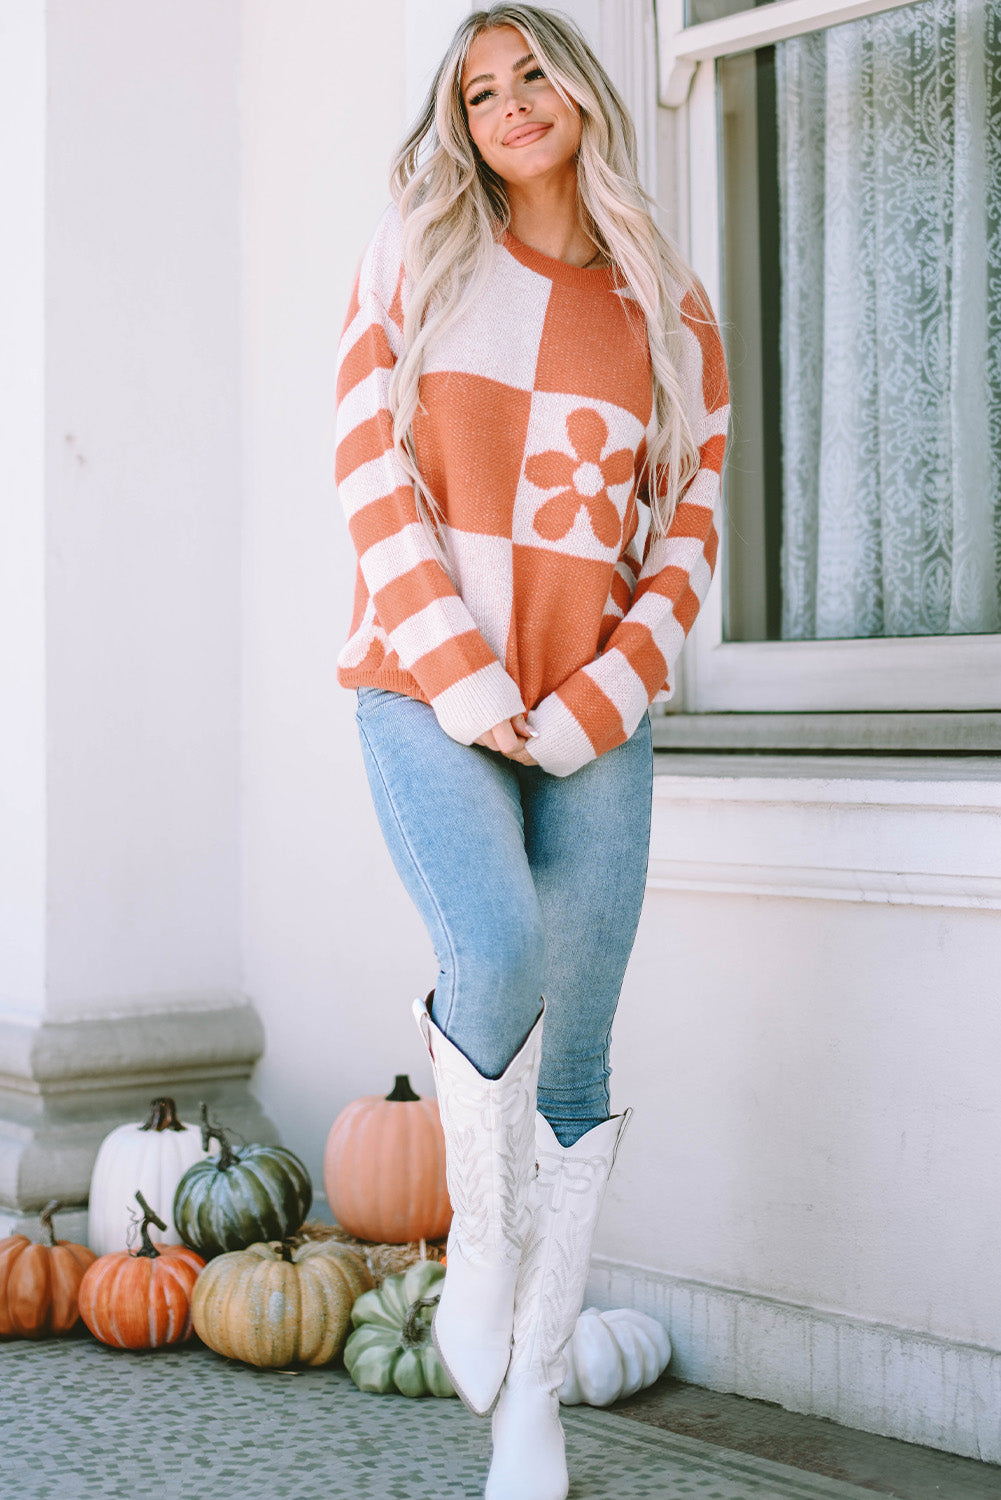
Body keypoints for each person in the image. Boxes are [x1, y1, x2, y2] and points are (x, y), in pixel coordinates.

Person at [334, 7, 728, 1497]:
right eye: (476, 90)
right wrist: (461, 673)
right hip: (418, 684)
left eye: (529, 73)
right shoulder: (418, 253)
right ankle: (480, 1248)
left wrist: (595, 695)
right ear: (461, 121)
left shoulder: (665, 304)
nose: (507, 105)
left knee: (584, 1052)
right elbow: (365, 467)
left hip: (592, 709)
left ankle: (530, 1405)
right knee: (491, 949)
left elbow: (686, 524)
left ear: (576, 87)